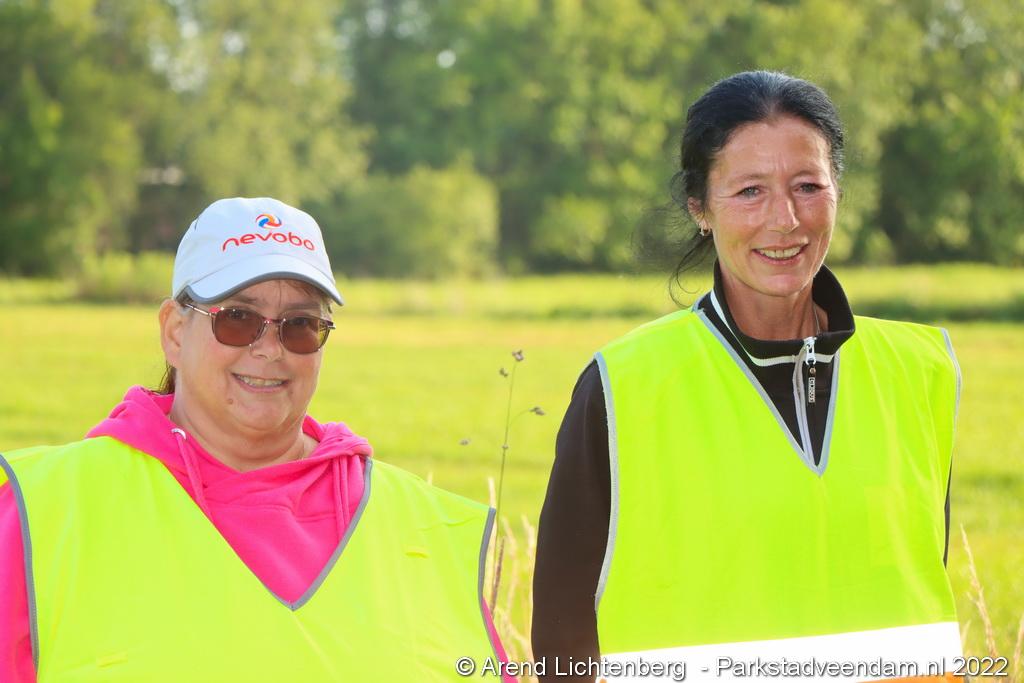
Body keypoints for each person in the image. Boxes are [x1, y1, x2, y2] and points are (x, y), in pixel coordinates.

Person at [533, 72, 963, 680]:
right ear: (700, 208)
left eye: (807, 186)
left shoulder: (921, 369)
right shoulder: (623, 386)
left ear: (838, 192)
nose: (785, 220)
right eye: (750, 191)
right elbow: (562, 640)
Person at [0, 197, 515, 682]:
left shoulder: (429, 532)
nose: (270, 349)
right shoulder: (44, 513)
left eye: (300, 325)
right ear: (175, 332)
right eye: (238, 319)